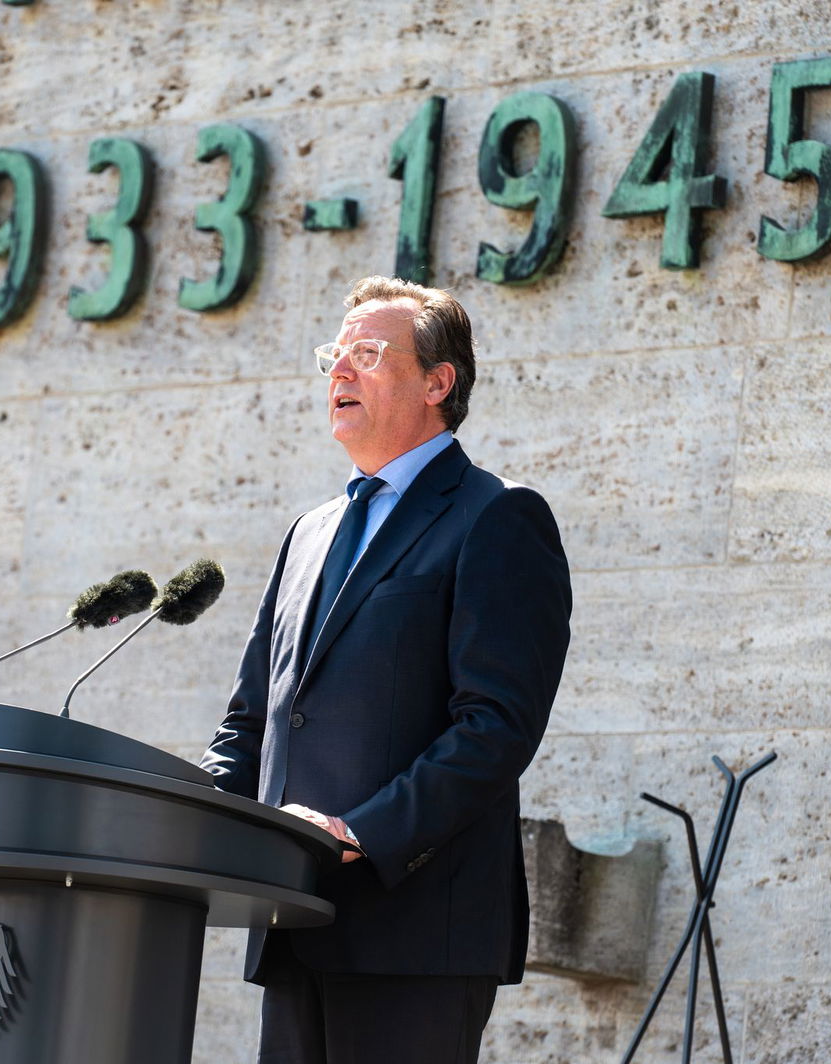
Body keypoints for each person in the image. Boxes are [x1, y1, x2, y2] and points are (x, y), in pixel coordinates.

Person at [202, 276, 572, 1064]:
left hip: (415, 932)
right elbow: (251, 723)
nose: (340, 372)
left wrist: (362, 833)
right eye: (335, 355)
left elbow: (496, 727)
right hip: (294, 920)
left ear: (438, 381)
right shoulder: (309, 531)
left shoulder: (497, 517)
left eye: (366, 354)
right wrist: (187, 813)